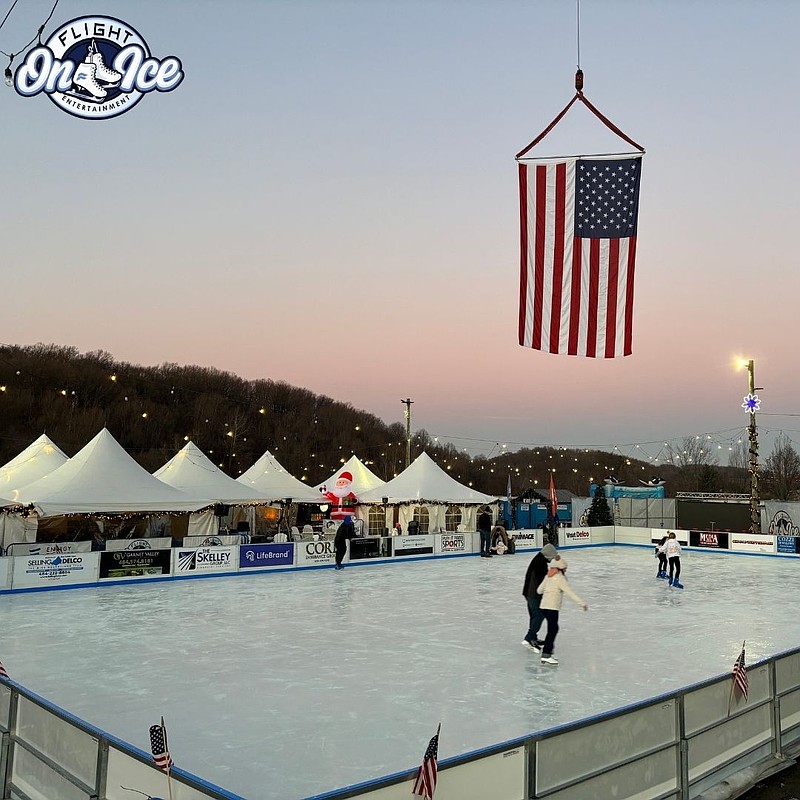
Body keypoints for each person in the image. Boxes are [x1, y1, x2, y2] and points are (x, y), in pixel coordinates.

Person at [536, 556, 588, 665]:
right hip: (552, 608)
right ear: (561, 569)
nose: (566, 571)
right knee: (553, 629)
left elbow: (539, 591)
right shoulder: (560, 579)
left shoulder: (548, 576)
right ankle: (546, 654)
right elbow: (569, 592)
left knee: (553, 628)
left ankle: (549, 651)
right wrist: (582, 603)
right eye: (565, 569)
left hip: (543, 607)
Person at [521, 543, 558, 652]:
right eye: (551, 557)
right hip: (533, 594)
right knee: (539, 614)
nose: (552, 559)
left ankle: (533, 638)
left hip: (529, 593)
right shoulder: (540, 563)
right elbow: (542, 581)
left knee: (534, 615)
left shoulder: (539, 559)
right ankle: (528, 638)